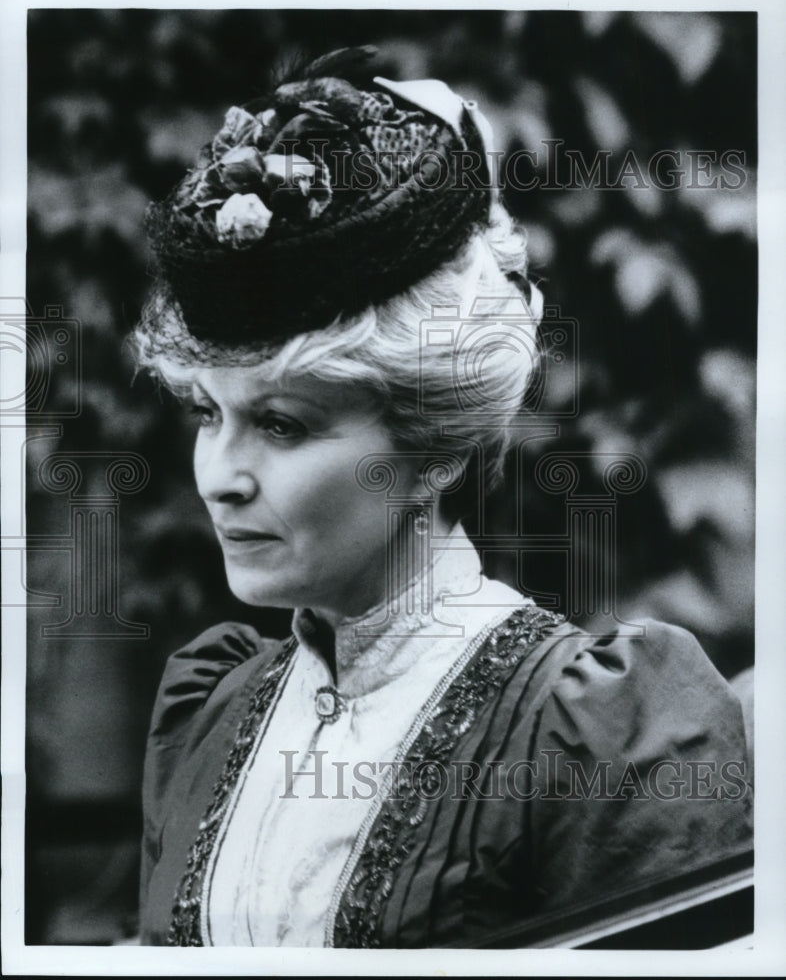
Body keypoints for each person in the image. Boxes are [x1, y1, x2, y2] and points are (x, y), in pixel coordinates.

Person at [133, 46, 752, 948]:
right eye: (205, 412)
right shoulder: (209, 715)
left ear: (432, 451)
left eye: (283, 425)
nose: (222, 473)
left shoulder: (597, 733)